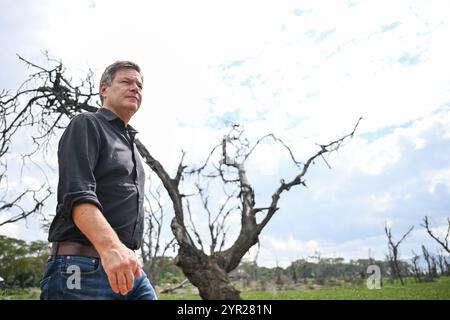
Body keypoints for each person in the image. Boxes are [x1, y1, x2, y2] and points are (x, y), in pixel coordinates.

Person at [40, 61, 157, 300]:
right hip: (82, 267)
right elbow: (77, 194)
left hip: (128, 270)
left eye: (139, 85)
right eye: (126, 81)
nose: (135, 88)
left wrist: (122, 254)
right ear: (104, 89)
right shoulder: (86, 123)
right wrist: (111, 248)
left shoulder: (132, 148)